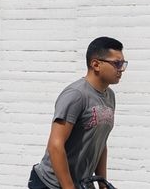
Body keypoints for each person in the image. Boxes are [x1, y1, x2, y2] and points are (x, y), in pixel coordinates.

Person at [29, 37, 126, 189]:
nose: (121, 69)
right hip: (51, 184)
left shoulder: (110, 97)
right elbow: (55, 145)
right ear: (96, 64)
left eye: (123, 64)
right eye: (117, 64)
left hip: (81, 183)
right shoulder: (76, 95)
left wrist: (102, 184)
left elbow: (100, 142)